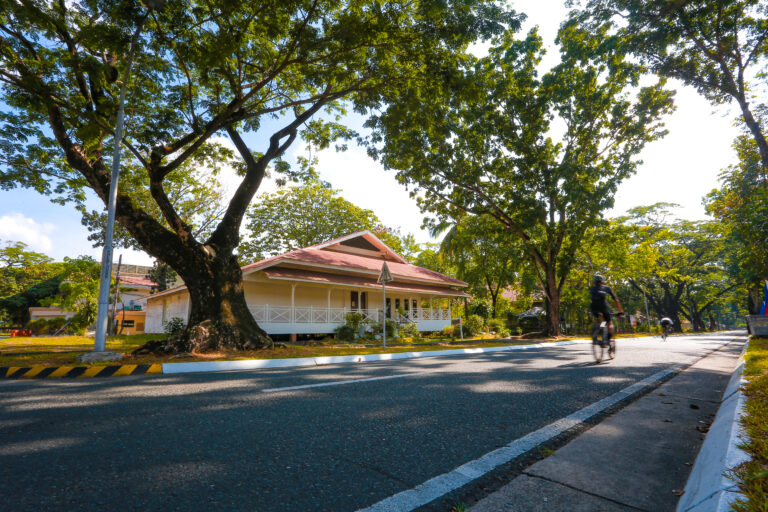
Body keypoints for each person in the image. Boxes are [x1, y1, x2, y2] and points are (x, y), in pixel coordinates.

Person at [589, 274, 624, 342]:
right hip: (603, 307)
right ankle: (607, 337)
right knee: (609, 323)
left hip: (593, 307)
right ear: (602, 281)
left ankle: (597, 331)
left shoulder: (591, 288)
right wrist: (621, 311)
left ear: (594, 282)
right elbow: (616, 300)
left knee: (600, 318)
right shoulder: (607, 288)